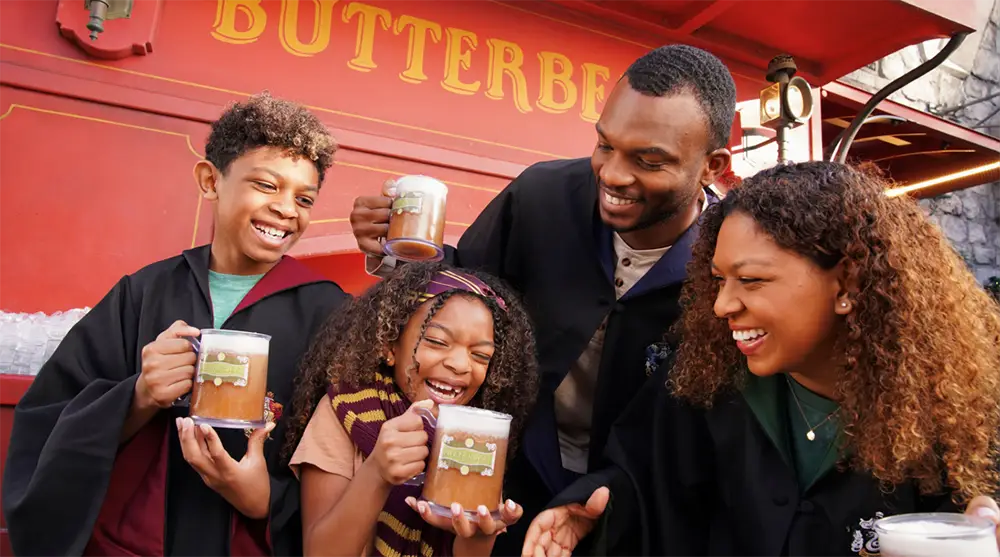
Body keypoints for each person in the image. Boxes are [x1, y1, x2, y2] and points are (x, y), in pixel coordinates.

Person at [349, 44, 736, 552]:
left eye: (648, 160)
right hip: (508, 478)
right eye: (605, 145)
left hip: (641, 508)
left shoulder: (730, 262)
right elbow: (468, 287)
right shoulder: (542, 196)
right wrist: (396, 250)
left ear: (711, 166)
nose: (612, 174)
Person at [523, 161, 1000, 557]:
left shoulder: (954, 417)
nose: (722, 305)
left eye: (751, 280)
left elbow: (972, 513)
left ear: (848, 282)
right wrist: (590, 511)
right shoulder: (706, 381)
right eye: (719, 280)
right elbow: (643, 478)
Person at [2, 93, 347, 557]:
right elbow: (47, 419)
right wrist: (139, 395)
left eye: (304, 198)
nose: (287, 209)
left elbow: (346, 458)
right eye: (267, 185)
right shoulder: (144, 293)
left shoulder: (329, 313)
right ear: (211, 180)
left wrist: (266, 499)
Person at [283, 262, 539, 556]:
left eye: (481, 355)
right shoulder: (345, 410)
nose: (460, 365)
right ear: (390, 345)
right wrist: (376, 473)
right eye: (436, 342)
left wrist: (478, 536)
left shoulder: (479, 438)